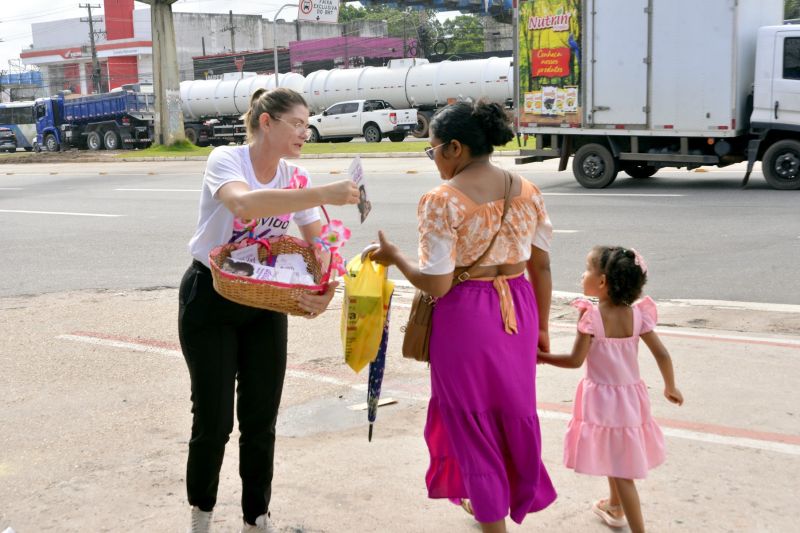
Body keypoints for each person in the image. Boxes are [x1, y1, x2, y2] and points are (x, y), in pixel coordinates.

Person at [178, 87, 359, 533]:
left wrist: (326, 287)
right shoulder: (226, 159)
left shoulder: (295, 176)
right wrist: (323, 192)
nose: (305, 131)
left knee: (261, 419)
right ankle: (201, 513)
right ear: (266, 123)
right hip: (211, 298)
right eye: (296, 123)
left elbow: (320, 243)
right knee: (214, 420)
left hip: (264, 304)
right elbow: (243, 203)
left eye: (307, 123)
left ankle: (256, 517)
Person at [371, 100, 557, 533]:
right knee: (511, 409)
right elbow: (542, 266)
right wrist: (543, 326)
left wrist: (394, 255)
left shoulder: (441, 200)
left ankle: (492, 518)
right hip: (520, 310)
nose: (431, 157)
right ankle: (490, 502)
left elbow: (435, 284)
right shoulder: (528, 189)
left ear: (454, 148)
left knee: (471, 421)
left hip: (467, 317)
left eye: (431, 149)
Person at [537, 246, 684, 533]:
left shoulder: (591, 318)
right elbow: (662, 354)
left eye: (587, 269)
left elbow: (574, 360)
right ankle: (614, 506)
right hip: (630, 398)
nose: (583, 274)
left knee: (621, 468)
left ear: (602, 282)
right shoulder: (638, 315)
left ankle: (637, 527)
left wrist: (540, 357)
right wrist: (670, 386)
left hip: (603, 400)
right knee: (615, 453)